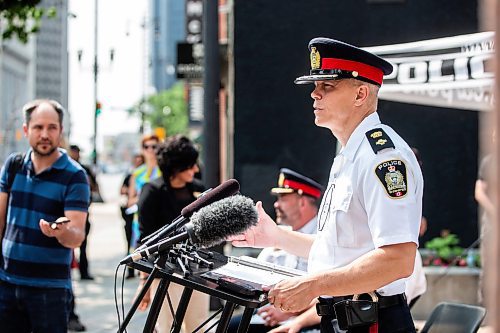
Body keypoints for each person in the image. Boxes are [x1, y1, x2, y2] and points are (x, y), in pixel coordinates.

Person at [231, 38, 423, 333]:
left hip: (372, 321)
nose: (314, 94)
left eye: (327, 86)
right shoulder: (348, 155)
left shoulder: (383, 158)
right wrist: (277, 237)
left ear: (360, 94)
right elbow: (336, 250)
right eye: (315, 85)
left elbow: (398, 260)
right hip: (343, 317)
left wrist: (312, 285)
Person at [0, 99, 90, 333]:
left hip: (50, 291)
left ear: (61, 131)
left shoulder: (75, 176)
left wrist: (61, 232)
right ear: (26, 130)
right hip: (6, 284)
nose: (45, 134)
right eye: (38, 127)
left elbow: (77, 236)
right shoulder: (13, 165)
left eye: (52, 127)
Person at [228, 168, 322, 333]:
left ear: (302, 202)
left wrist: (291, 311)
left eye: (283, 198)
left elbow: (332, 289)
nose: (276, 204)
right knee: (229, 327)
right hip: (272, 312)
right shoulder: (280, 232)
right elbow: (259, 271)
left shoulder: (324, 234)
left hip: (311, 319)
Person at [135, 134, 207, 333]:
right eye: (190, 164)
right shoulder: (152, 191)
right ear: (176, 166)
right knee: (165, 327)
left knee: (198, 327)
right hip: (164, 272)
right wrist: (144, 282)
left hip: (197, 271)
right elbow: (145, 240)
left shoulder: (198, 190)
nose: (195, 169)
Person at [127, 134, 162, 250]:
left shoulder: (165, 171)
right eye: (146, 146)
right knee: (141, 260)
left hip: (161, 220)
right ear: (142, 149)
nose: (150, 150)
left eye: (154, 146)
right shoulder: (137, 173)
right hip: (140, 222)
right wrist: (144, 198)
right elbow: (130, 201)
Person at [68, 144, 98, 280]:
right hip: (66, 214)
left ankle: (84, 271)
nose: (76, 154)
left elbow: (95, 186)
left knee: (83, 244)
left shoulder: (83, 170)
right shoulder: (65, 169)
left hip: (84, 212)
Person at [120, 153, 144, 278]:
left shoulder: (149, 173)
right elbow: (125, 194)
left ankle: (141, 270)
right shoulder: (132, 175)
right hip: (132, 216)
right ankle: (130, 270)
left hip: (143, 217)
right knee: (131, 243)